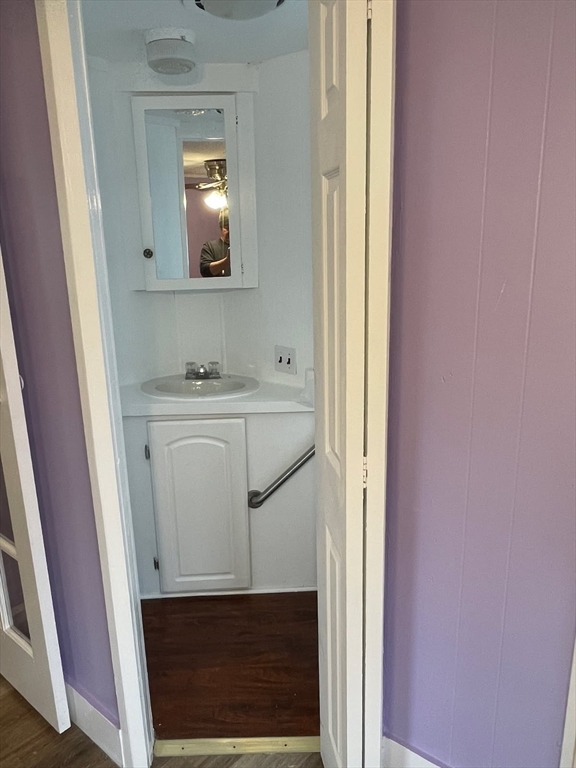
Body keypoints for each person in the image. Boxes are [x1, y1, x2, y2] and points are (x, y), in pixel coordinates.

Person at [200, 209, 231, 277]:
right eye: (226, 227)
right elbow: (205, 271)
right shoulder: (209, 247)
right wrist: (227, 261)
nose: (229, 231)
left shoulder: (244, 247)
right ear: (222, 227)